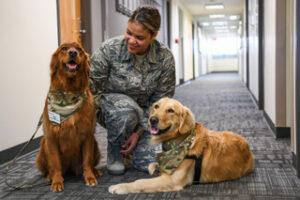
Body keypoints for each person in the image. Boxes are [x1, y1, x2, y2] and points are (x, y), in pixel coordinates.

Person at [90, 6, 175, 175]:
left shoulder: (164, 58)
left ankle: (133, 146)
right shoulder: (109, 49)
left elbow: (160, 104)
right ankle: (115, 152)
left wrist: (138, 132)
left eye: (140, 37)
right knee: (126, 110)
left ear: (153, 36)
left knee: (148, 164)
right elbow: (92, 90)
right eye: (129, 32)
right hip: (113, 112)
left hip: (146, 118)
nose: (131, 40)